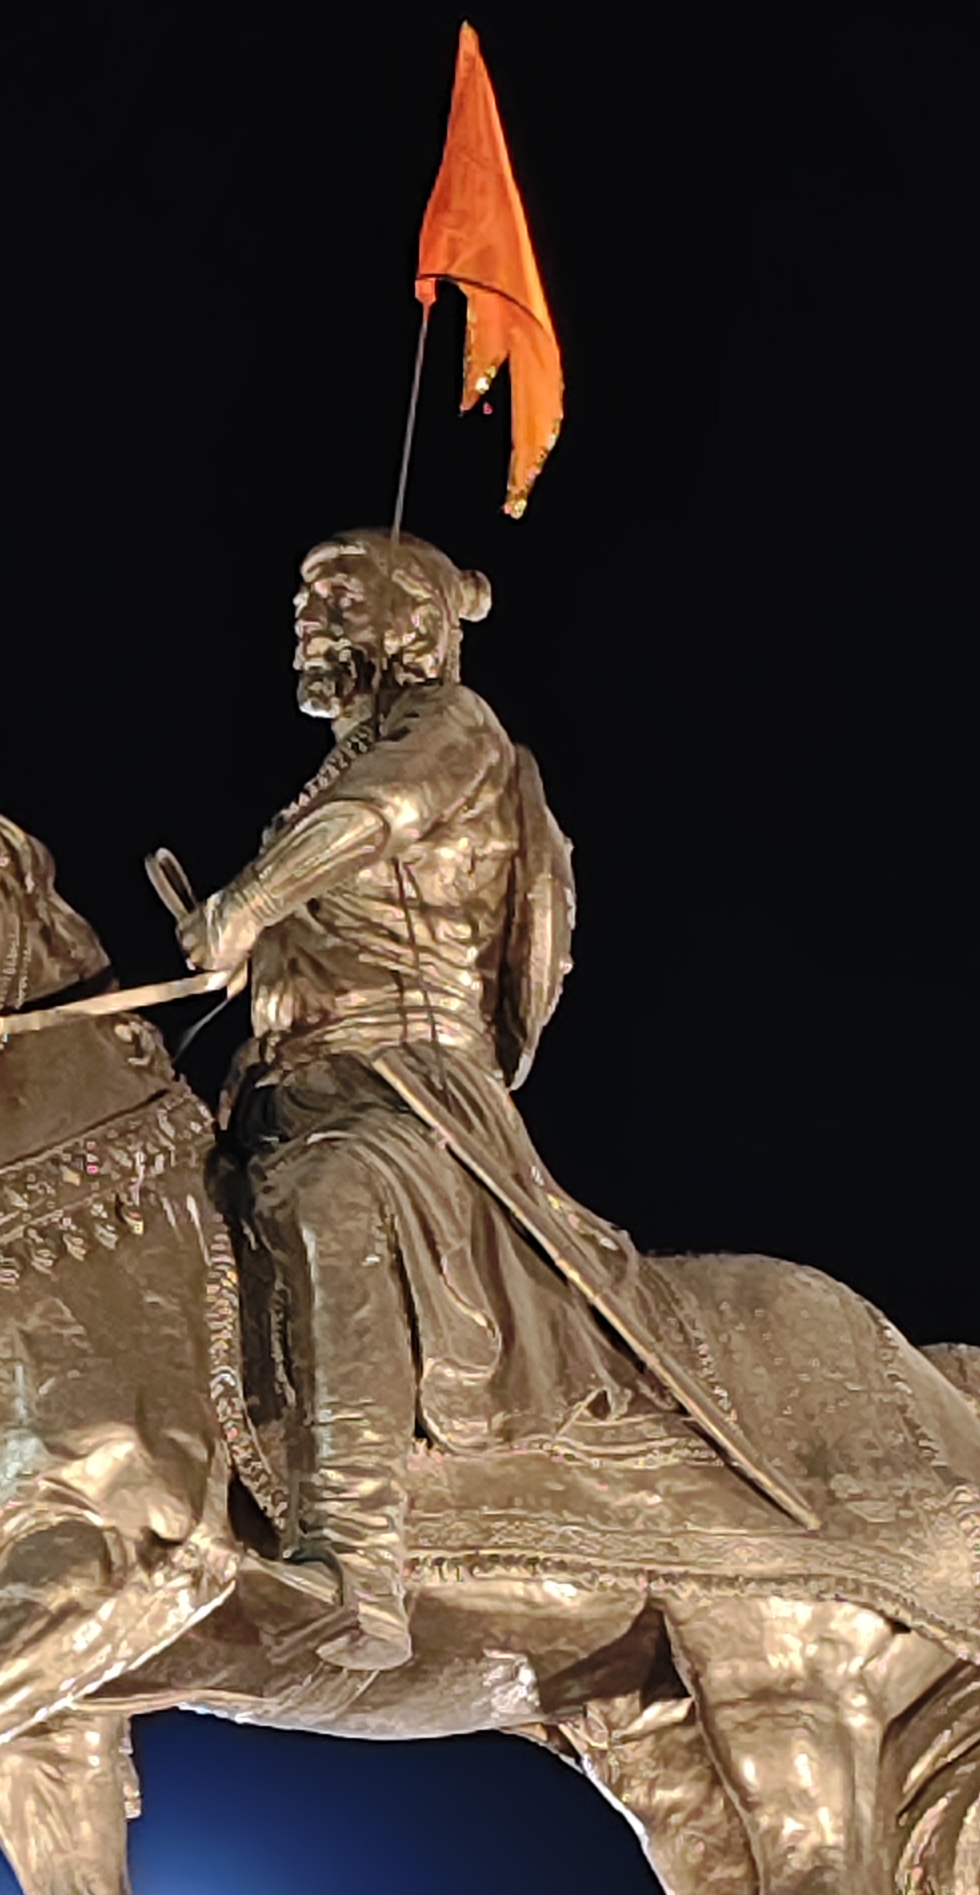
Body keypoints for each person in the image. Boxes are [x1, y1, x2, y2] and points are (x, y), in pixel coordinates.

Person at [166, 528, 669, 1672]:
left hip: (405, 1084)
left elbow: (377, 820)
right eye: (306, 597)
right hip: (291, 1081)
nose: (311, 615)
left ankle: (356, 1558)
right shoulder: (344, 761)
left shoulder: (450, 727)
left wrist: (247, 904)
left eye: (342, 594)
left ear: (417, 622)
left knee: (332, 1195)